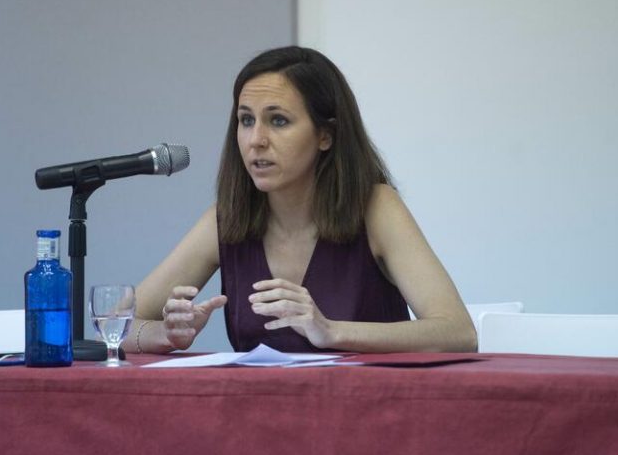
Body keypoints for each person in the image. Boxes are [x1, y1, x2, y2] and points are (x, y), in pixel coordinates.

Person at [122, 46, 477, 355]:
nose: (256, 140)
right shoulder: (227, 220)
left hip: (366, 407)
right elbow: (114, 324)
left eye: (278, 120)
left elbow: (458, 333)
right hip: (260, 410)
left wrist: (332, 331)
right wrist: (165, 335)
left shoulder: (376, 207)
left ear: (325, 135)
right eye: (246, 120)